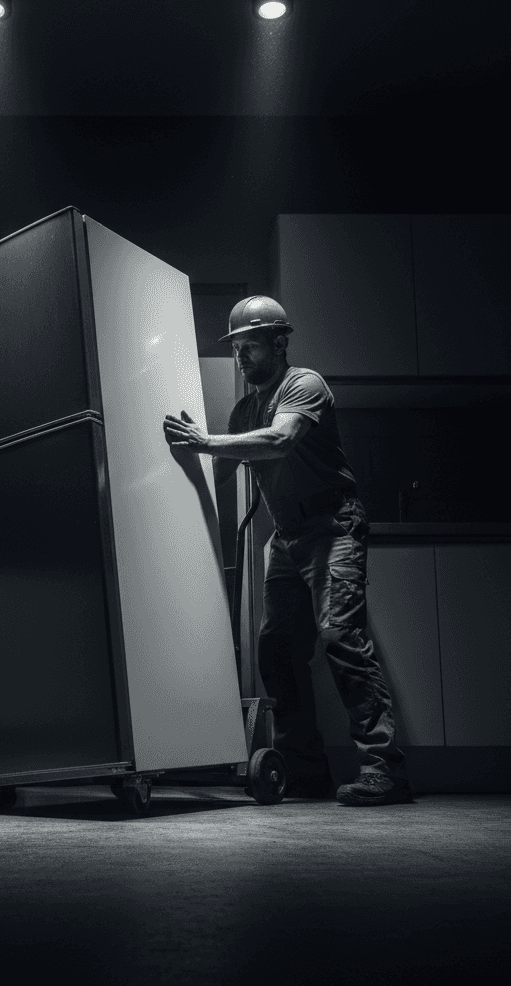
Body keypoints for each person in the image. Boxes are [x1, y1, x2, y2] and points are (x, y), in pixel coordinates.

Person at [162, 295, 411, 806]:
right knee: (276, 650)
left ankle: (384, 769)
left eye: (249, 346)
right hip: (288, 536)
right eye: (236, 349)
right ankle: (304, 771)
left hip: (333, 526)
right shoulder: (245, 408)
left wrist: (205, 441)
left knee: (341, 636)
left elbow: (279, 441)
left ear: (278, 342)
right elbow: (218, 473)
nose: (241, 358)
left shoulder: (305, 385)